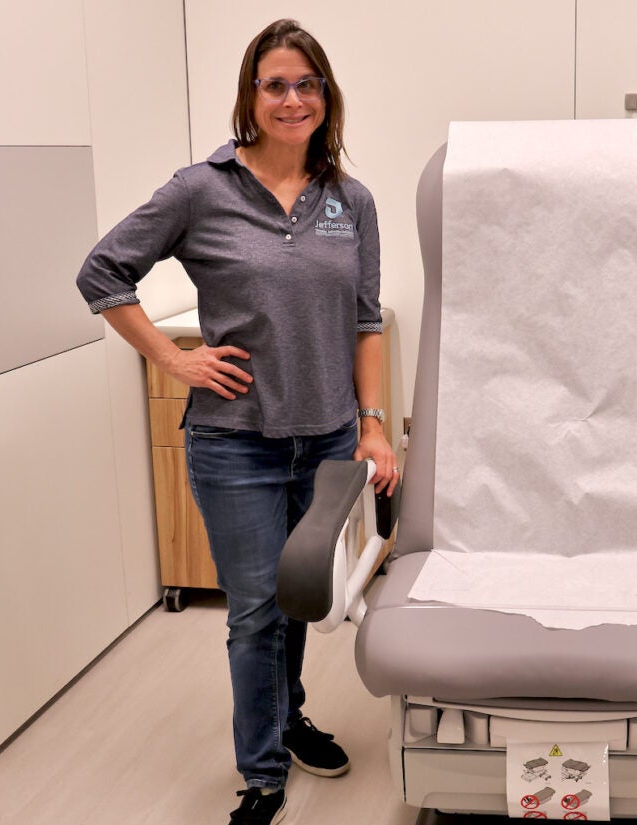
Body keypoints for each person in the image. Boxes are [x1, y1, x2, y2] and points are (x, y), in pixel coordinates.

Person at [74, 19, 399, 825]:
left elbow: (366, 321)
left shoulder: (349, 201)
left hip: (324, 440)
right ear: (250, 96)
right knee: (253, 609)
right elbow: (102, 271)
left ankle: (288, 720)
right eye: (274, 84)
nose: (292, 99)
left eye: (306, 84)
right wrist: (172, 358)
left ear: (327, 96)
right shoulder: (201, 188)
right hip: (236, 441)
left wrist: (373, 424)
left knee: (297, 599)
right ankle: (260, 774)